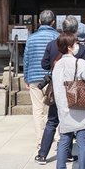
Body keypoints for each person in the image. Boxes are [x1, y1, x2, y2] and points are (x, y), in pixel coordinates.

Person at [35, 17, 85, 165]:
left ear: (61, 28)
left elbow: (44, 64)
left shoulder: (53, 45)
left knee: (52, 121)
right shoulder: (80, 48)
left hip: (56, 87)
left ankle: (42, 154)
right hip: (74, 88)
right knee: (71, 122)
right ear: (76, 29)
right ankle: (67, 154)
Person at [52, 32, 85, 169]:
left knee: (64, 138)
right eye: (75, 44)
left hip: (63, 106)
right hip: (80, 106)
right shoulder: (80, 63)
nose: (78, 46)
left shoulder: (57, 65)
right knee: (82, 140)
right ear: (70, 47)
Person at [22, 9, 57, 149]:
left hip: (34, 77)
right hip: (52, 78)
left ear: (39, 21)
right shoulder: (57, 37)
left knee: (38, 110)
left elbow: (26, 59)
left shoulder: (31, 38)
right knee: (54, 108)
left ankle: (40, 141)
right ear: (53, 22)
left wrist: (26, 78)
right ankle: (57, 137)